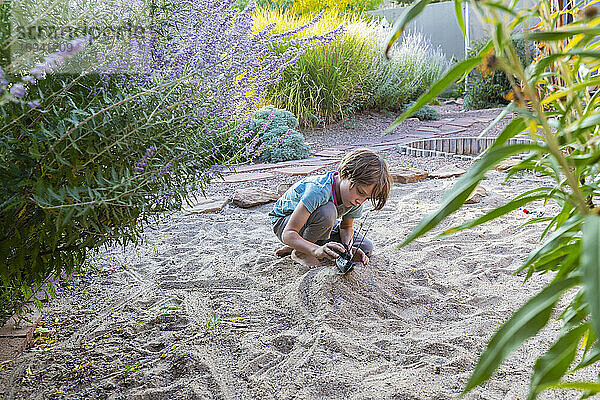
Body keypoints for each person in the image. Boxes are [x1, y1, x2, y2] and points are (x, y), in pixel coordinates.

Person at [269, 148, 392, 268]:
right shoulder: (318, 190)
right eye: (360, 192)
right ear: (344, 175)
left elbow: (346, 227)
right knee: (327, 212)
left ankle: (299, 244)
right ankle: (300, 252)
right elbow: (288, 233)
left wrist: (347, 249)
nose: (360, 201)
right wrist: (316, 250)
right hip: (284, 223)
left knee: (365, 247)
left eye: (367, 198)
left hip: (317, 223)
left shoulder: (354, 199)